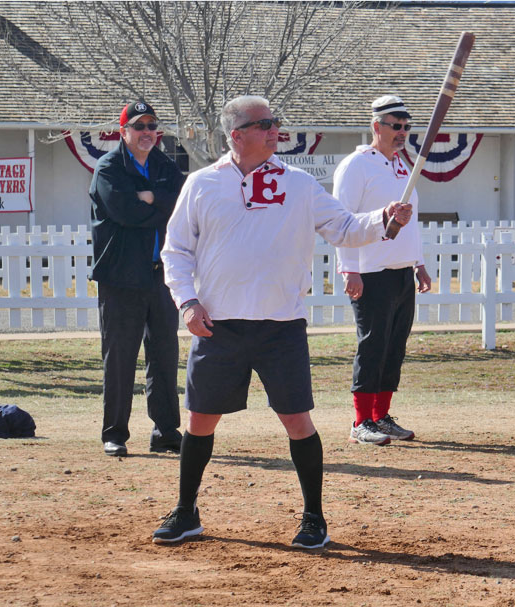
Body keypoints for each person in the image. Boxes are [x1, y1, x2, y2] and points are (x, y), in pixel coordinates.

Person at [152, 95, 412, 548]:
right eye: (264, 124)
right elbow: (175, 250)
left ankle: (314, 519)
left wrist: (383, 219)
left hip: (281, 325)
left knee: (297, 421)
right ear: (237, 135)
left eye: (275, 122)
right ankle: (186, 511)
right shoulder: (201, 184)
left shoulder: (299, 184)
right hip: (218, 324)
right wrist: (187, 302)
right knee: (200, 420)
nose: (275, 130)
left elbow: (345, 228)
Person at [334, 95, 432, 446]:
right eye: (396, 126)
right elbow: (342, 220)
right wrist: (349, 269)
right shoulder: (356, 165)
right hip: (370, 270)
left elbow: (411, 221)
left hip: (401, 270)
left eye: (406, 127)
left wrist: (418, 263)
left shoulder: (403, 166)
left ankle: (381, 416)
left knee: (394, 347)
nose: (402, 132)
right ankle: (361, 421)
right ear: (377, 126)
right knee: (373, 345)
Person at [89, 100, 185, 457]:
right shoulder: (109, 168)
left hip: (161, 276)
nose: (147, 132)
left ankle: (166, 432)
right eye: (139, 126)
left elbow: (182, 204)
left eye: (151, 126)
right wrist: (161, 206)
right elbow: (126, 213)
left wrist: (152, 197)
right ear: (124, 131)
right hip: (120, 277)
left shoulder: (164, 165)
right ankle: (114, 433)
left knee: (164, 355)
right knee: (120, 358)